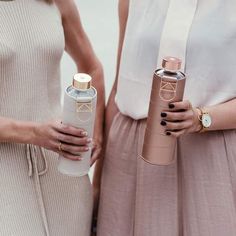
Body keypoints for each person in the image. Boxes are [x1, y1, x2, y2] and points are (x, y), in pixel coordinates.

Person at [94, 0, 236, 235]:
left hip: (209, 160)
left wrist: (201, 118)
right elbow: (119, 88)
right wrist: (97, 182)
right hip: (129, 158)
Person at [0, 0, 104, 235]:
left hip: (63, 169)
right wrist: (34, 133)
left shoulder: (56, 2)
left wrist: (95, 135)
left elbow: (91, 67)